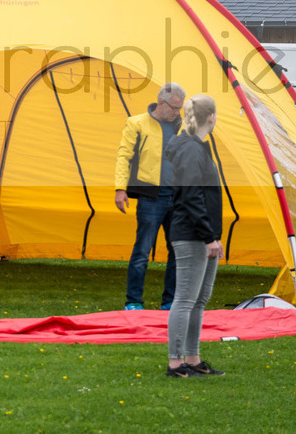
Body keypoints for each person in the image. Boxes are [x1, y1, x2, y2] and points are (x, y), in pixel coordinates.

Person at [164, 95, 225, 377]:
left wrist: (213, 235)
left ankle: (193, 357)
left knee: (199, 299)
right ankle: (176, 362)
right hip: (191, 233)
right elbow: (191, 195)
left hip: (203, 233)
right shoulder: (190, 148)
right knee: (186, 298)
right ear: (211, 117)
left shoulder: (199, 146)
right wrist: (208, 235)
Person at [114, 82, 186, 311]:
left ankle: (170, 301)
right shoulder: (136, 123)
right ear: (161, 103)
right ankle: (133, 301)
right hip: (151, 197)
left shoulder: (181, 127)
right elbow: (123, 156)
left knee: (177, 251)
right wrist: (120, 189)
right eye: (175, 107)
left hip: (177, 197)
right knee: (142, 250)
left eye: (180, 108)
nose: (177, 112)